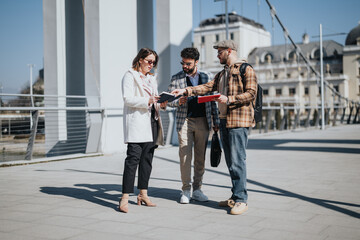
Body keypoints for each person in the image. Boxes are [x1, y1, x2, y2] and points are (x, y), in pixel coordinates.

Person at [171, 40, 257, 215]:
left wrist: (229, 99)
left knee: (238, 160)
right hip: (225, 121)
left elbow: (252, 93)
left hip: (239, 121)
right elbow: (208, 87)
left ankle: (241, 200)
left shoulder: (246, 69)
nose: (217, 55)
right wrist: (186, 91)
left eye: (219, 52)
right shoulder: (221, 73)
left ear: (229, 51)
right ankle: (235, 196)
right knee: (231, 162)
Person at [167, 47, 219, 204]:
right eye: (183, 63)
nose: (184, 66)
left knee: (200, 158)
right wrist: (178, 101)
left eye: (188, 63)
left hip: (203, 120)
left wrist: (216, 122)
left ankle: (197, 189)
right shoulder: (176, 78)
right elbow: (169, 101)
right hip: (185, 121)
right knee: (184, 156)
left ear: (196, 62)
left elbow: (213, 100)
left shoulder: (208, 76)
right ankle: (186, 190)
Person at [119, 48, 166, 213]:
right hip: (137, 123)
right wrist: (148, 100)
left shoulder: (151, 79)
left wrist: (164, 102)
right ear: (140, 59)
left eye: (154, 62)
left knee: (147, 160)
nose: (151, 65)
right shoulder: (130, 75)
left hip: (152, 122)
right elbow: (128, 98)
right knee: (133, 160)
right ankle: (124, 197)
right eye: (149, 61)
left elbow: (155, 100)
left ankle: (143, 194)